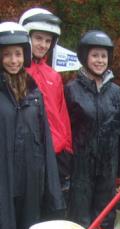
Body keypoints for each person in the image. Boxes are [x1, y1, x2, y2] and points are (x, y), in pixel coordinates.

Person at [0, 22, 64, 229]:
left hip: (31, 179)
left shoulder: (34, 92)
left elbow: (47, 141)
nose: (13, 60)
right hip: (4, 179)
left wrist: (51, 188)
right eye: (7, 55)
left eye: (17, 54)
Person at [65, 31, 120, 229]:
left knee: (105, 218)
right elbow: (65, 130)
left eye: (103, 56)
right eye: (95, 55)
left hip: (108, 166)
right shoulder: (72, 89)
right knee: (79, 219)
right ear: (85, 57)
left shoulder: (116, 92)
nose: (100, 60)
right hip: (81, 165)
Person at [19, 8, 73, 195]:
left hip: (56, 155)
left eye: (48, 40)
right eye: (39, 38)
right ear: (27, 37)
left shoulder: (54, 75)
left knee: (52, 212)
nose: (43, 45)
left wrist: (67, 149)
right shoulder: (17, 73)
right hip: (29, 154)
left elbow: (62, 115)